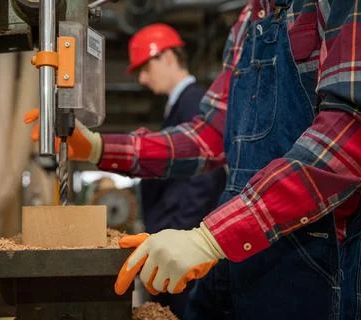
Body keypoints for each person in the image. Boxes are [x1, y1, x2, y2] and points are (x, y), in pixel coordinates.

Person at [25, 0, 361, 318]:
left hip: (317, 265)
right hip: (239, 255)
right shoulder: (249, 19)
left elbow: (352, 129)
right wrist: (100, 147)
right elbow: (210, 135)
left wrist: (210, 238)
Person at [126, 23, 226, 317]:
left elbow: (205, 178)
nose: (143, 79)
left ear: (168, 57)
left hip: (183, 246)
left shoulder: (195, 102)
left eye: (145, 68)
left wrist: (179, 235)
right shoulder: (179, 105)